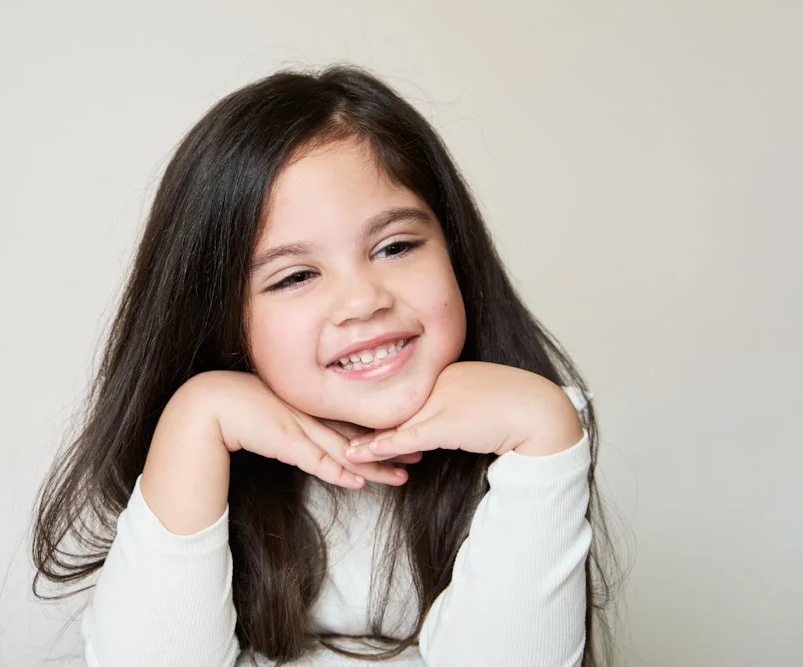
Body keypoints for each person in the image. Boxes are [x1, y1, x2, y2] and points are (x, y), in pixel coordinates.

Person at [31, 65, 615, 667]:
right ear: (224, 323)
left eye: (396, 246)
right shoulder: (200, 459)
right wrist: (194, 417)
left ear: (456, 253)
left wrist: (546, 431)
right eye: (296, 276)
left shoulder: (530, 435)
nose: (363, 300)